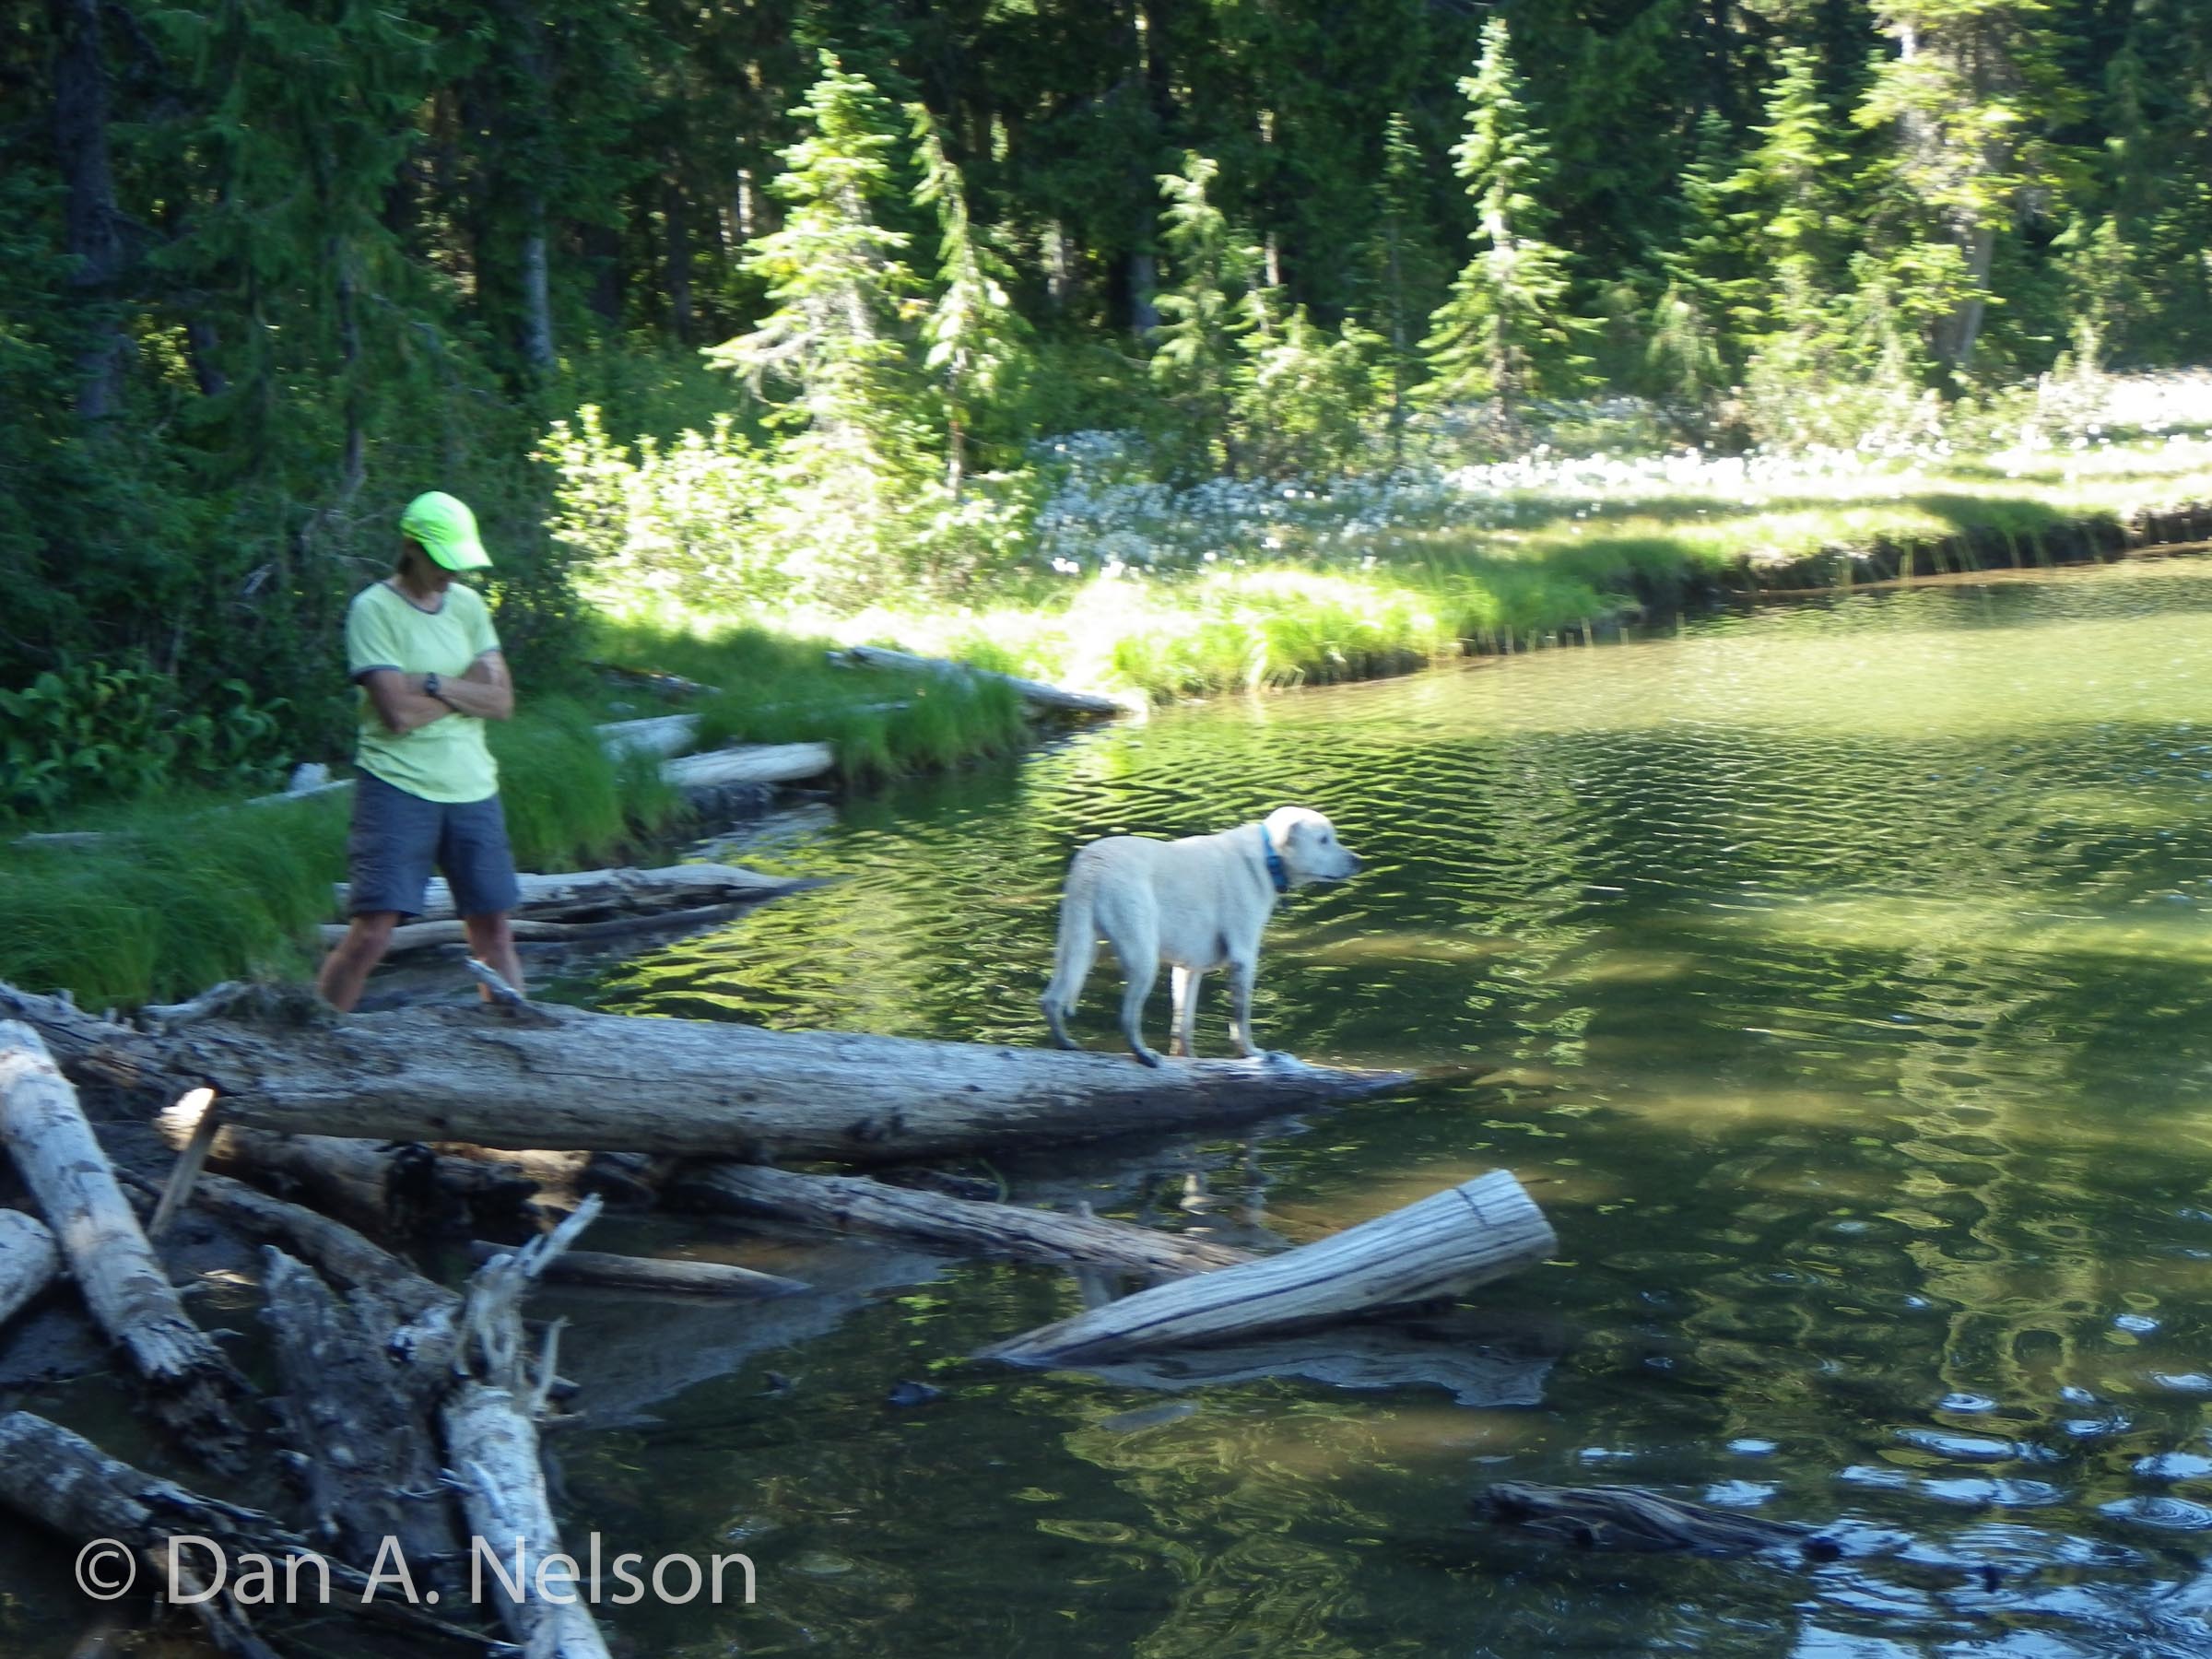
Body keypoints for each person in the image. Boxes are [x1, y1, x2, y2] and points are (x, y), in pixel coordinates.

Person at [316, 490, 525, 1012]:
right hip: (396, 785)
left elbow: (501, 702)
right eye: (443, 561)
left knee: (494, 929)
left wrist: (429, 682)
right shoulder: (373, 610)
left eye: (458, 563)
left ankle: (518, 1047)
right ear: (412, 547)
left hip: (473, 786)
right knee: (373, 932)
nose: (451, 574)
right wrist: (461, 687)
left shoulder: (470, 607)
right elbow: (398, 715)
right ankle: (313, 1035)